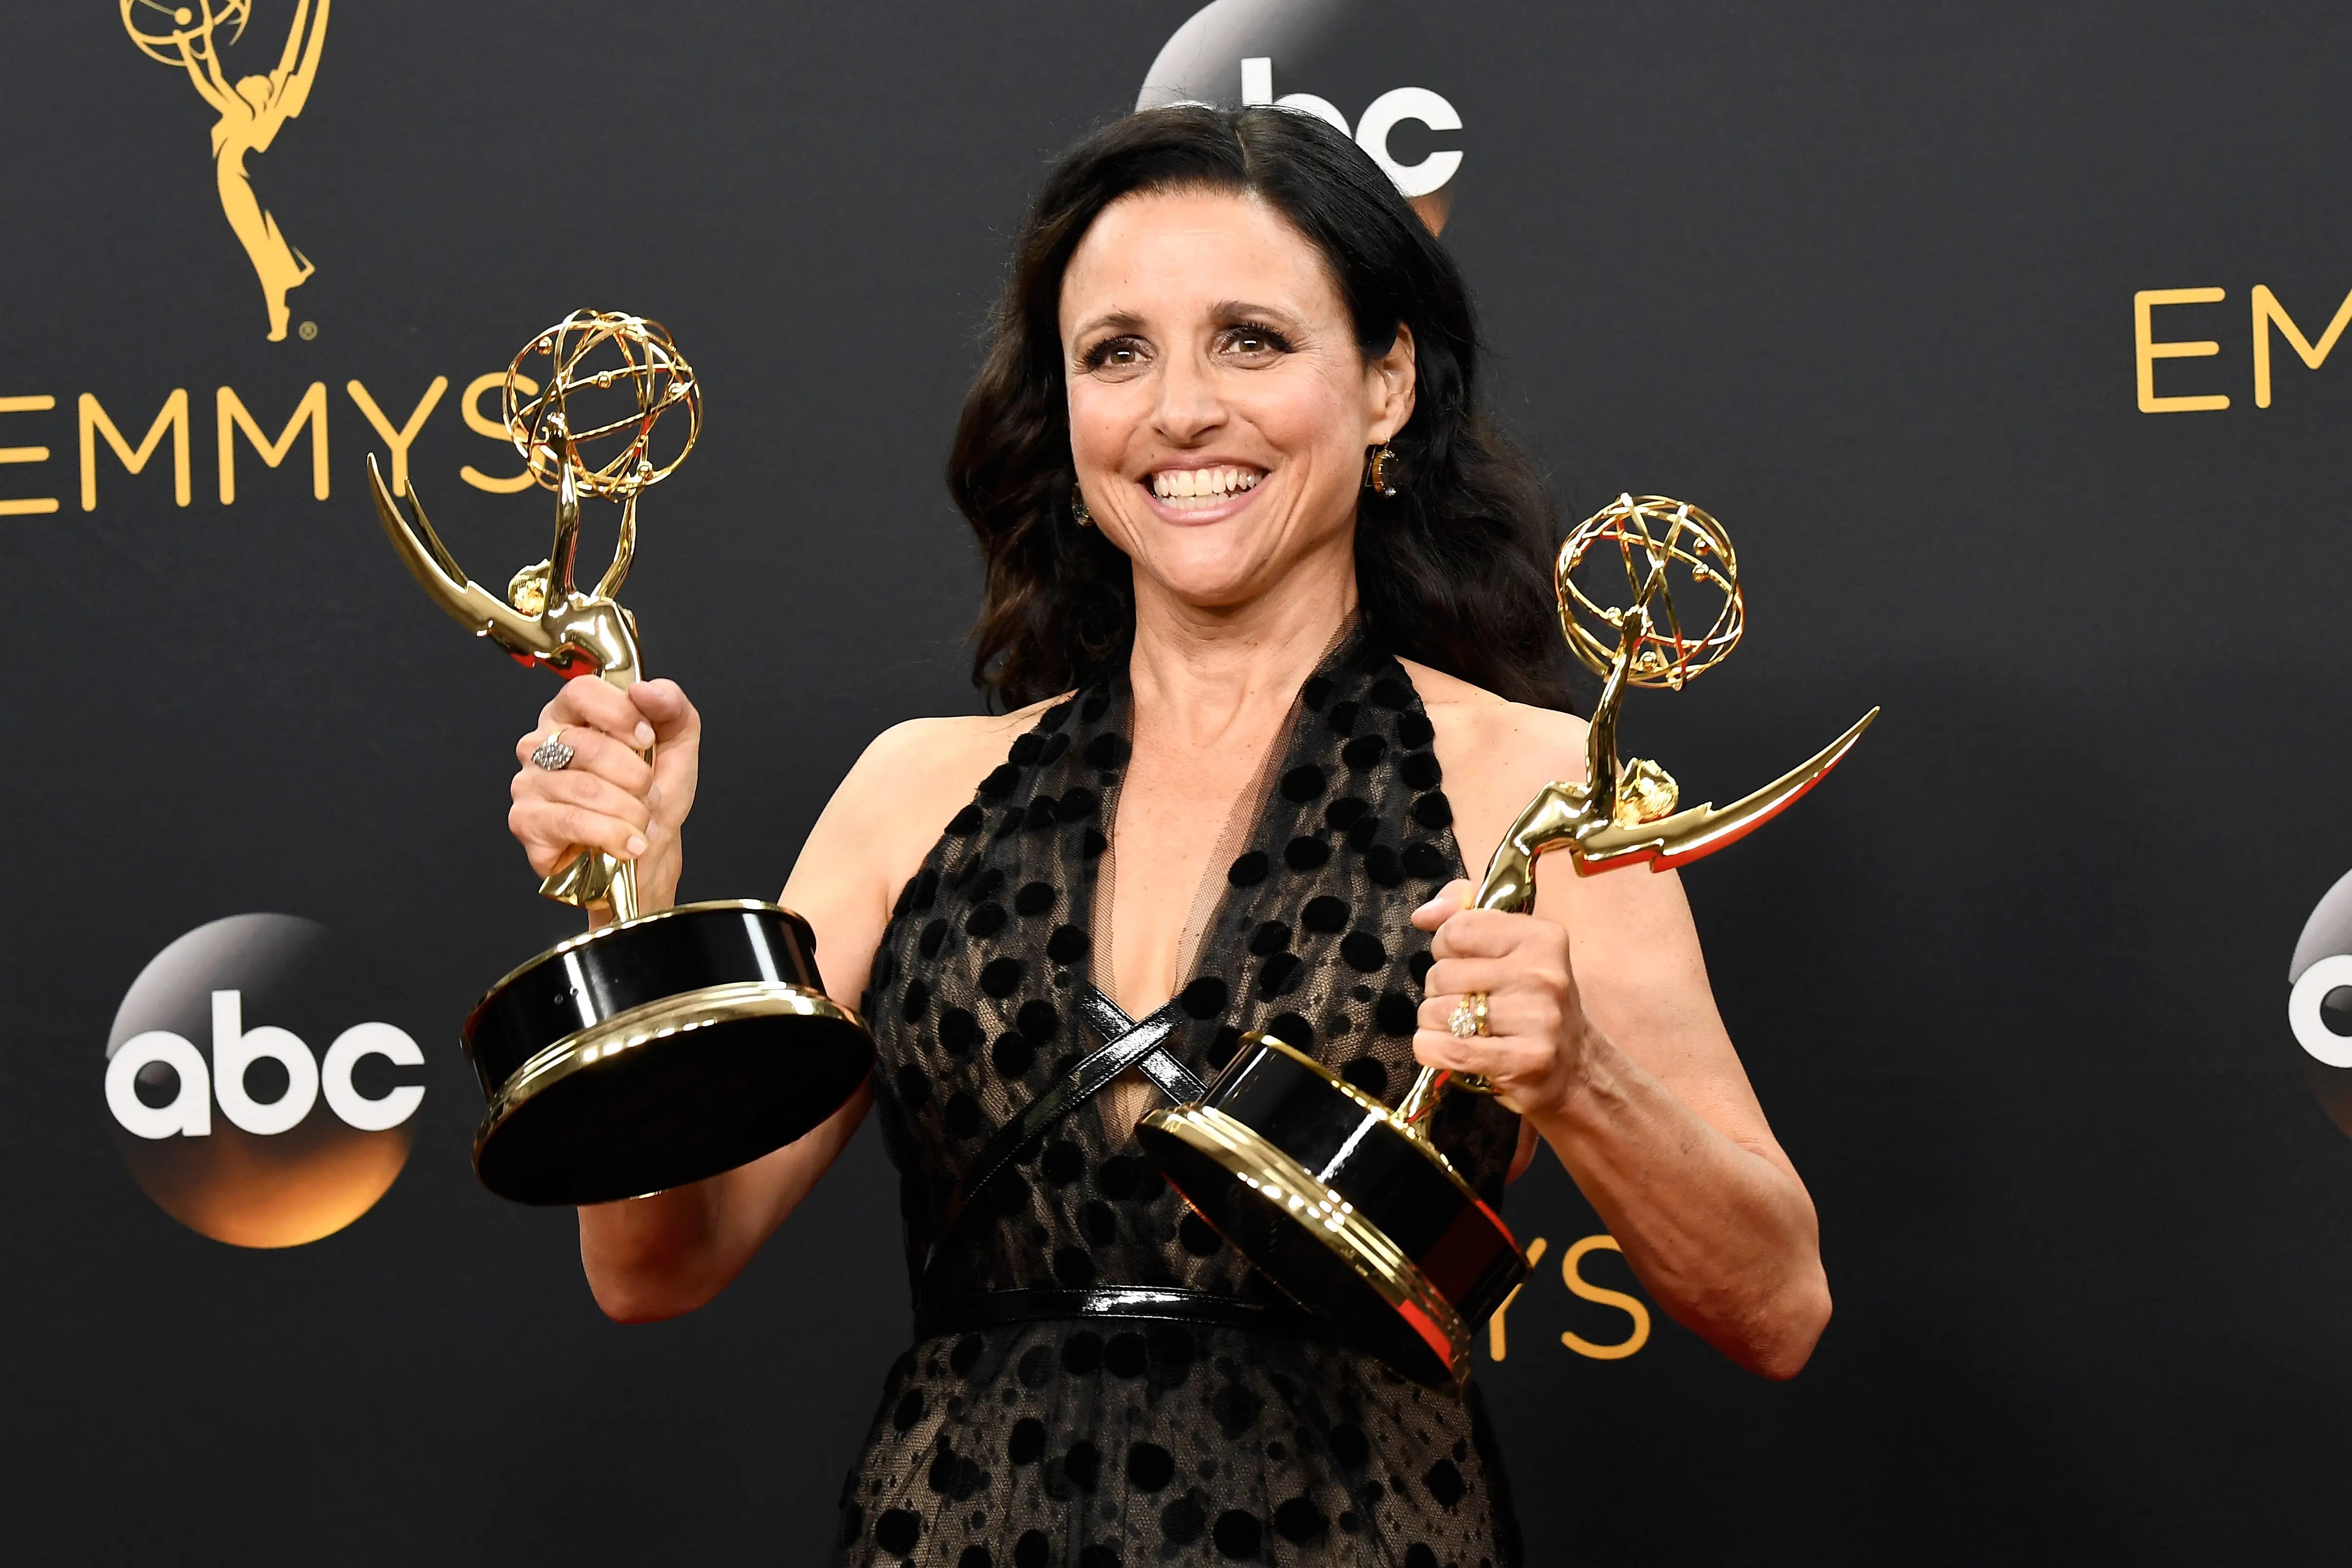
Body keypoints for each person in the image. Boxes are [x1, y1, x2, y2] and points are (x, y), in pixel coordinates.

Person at [504, 105, 1830, 1568]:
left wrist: (1578, 1075)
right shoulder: (914, 792)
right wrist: (628, 912)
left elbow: (1776, 1309)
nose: (1181, 411)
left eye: (1252, 341)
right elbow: (657, 1265)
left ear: (1387, 383)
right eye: (1116, 353)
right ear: (1064, 413)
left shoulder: (1531, 788)